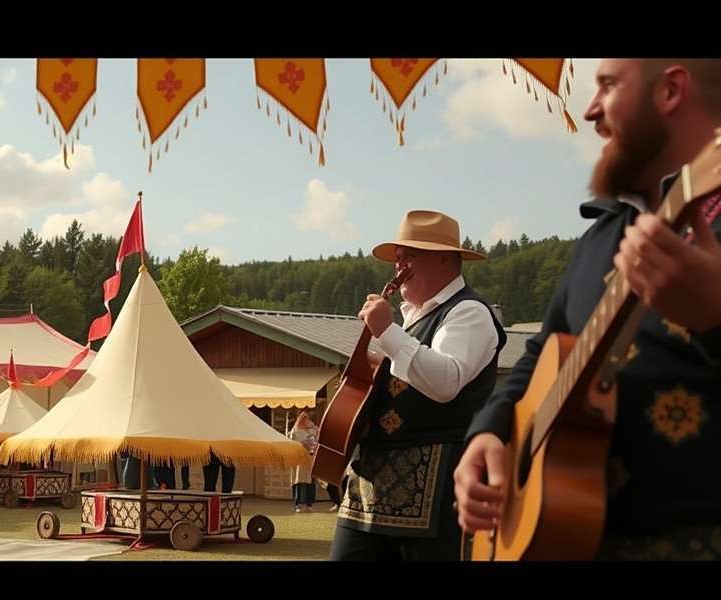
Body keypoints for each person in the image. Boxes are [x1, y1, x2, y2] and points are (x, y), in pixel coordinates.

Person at [455, 59, 721, 560]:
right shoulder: (598, 238)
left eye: (608, 85)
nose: (590, 109)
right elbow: (540, 352)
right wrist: (488, 432)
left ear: (671, 90)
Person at [330, 209, 505, 561]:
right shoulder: (410, 320)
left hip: (434, 486)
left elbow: (445, 382)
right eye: (397, 258)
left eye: (411, 255)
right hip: (369, 484)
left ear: (445, 259)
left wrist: (387, 332)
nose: (400, 266)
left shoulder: (468, 312)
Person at [289, 411, 320, 513]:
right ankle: (298, 504)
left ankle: (309, 504)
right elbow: (292, 443)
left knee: (309, 482)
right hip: (299, 460)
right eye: (304, 419)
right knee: (299, 482)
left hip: (309, 459)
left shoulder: (310, 430)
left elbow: (315, 440)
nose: (306, 421)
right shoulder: (295, 430)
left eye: (307, 419)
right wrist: (302, 444)